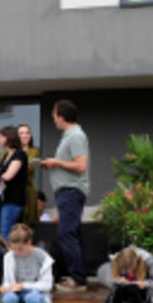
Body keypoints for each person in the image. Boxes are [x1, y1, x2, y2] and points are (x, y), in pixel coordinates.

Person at [40, 100, 90, 289]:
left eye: (54, 116)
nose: (54, 119)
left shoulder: (75, 136)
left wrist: (56, 163)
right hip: (68, 191)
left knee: (67, 233)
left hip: (71, 191)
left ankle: (77, 279)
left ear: (61, 117)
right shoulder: (70, 136)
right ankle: (78, 276)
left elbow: (81, 165)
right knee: (71, 233)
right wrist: (53, 164)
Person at [0, 224, 55, 303]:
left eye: (20, 249)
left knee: (32, 299)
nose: (17, 252)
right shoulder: (9, 256)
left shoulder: (43, 257)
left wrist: (23, 286)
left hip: (35, 292)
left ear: (29, 243)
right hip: (16, 291)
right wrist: (5, 287)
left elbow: (47, 285)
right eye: (14, 249)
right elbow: (7, 280)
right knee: (8, 299)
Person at [0, 125, 28, 241]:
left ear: (8, 138)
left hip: (13, 199)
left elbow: (8, 175)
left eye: (1, 137)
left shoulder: (19, 154)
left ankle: (6, 252)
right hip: (2, 199)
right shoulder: (6, 156)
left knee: (6, 232)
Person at [18, 123, 41, 226]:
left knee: (28, 224)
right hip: (11, 192)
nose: (25, 135)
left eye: (27, 133)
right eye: (21, 133)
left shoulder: (34, 151)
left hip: (27, 190)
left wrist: (11, 168)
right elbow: (0, 166)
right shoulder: (9, 150)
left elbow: (29, 167)